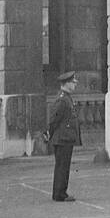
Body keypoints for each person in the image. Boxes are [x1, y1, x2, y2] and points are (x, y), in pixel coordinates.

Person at [46, 70, 79, 202]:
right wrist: (50, 133)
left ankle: (61, 192)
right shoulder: (62, 99)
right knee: (62, 167)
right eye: (73, 82)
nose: (75, 85)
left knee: (63, 166)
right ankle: (59, 194)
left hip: (65, 137)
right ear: (66, 84)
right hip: (62, 138)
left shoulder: (66, 98)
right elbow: (54, 119)